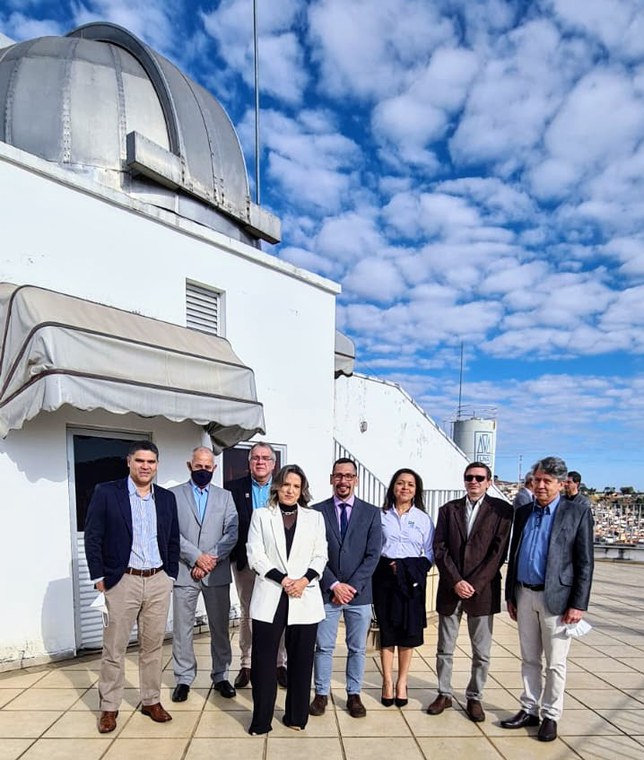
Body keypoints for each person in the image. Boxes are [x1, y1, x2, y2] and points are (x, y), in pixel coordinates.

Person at [84, 441, 179, 735]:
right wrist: (99, 576)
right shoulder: (107, 493)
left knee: (152, 647)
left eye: (151, 461)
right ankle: (109, 707)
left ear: (157, 465)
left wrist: (170, 575)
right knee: (114, 648)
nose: (145, 466)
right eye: (140, 461)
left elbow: (173, 538)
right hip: (121, 581)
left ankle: (151, 700)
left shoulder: (165, 498)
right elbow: (93, 536)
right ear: (129, 462)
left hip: (158, 579)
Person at [501, 456, 594, 742]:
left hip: (558, 599)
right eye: (537, 480)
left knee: (555, 662)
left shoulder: (575, 512)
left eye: (547, 481)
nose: (540, 485)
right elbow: (514, 553)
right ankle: (529, 708)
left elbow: (585, 562)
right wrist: (510, 594)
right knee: (529, 659)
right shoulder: (525, 511)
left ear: (561, 484)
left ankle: (550, 715)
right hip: (524, 593)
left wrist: (578, 604)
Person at [427, 462, 513, 722]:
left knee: (482, 652)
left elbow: (498, 553)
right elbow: (439, 547)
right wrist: (456, 581)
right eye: (469, 478)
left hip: (482, 591)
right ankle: (444, 693)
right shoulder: (448, 510)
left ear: (488, 482)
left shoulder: (502, 511)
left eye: (479, 478)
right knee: (445, 648)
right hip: (451, 590)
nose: (473, 482)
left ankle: (475, 697)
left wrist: (473, 583)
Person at [246, 464, 327, 735]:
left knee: (302, 661)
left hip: (304, 595)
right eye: (286, 485)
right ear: (277, 487)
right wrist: (283, 580)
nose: (290, 490)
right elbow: (255, 555)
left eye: (296, 486)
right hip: (271, 592)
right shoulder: (260, 516)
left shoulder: (315, 518)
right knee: (263, 662)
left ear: (302, 490)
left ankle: (296, 716)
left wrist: (303, 581)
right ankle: (261, 720)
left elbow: (320, 555)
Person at [309, 458, 381, 719]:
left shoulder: (372, 513)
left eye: (349, 476)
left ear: (356, 480)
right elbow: (313, 553)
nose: (343, 481)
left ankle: (353, 694)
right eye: (339, 476)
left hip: (359, 594)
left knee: (357, 648)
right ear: (331, 479)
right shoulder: (316, 512)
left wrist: (351, 586)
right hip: (327, 591)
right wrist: (334, 584)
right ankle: (320, 694)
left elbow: (373, 555)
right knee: (324, 647)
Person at [171, 446, 239, 703]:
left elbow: (232, 532)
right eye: (198, 466)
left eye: (207, 467)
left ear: (214, 468)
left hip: (216, 572)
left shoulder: (225, 497)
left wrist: (209, 559)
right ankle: (184, 678)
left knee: (220, 628)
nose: (203, 470)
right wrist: (196, 557)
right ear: (190, 466)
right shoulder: (173, 495)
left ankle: (221, 675)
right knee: (182, 629)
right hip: (185, 572)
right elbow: (171, 532)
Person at [225, 443, 288, 688]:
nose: (260, 462)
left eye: (265, 458)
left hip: (278, 563)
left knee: (278, 613)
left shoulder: (284, 488)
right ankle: (247, 664)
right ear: (249, 462)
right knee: (248, 612)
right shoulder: (233, 489)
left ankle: (279, 663)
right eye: (255, 458)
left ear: (273, 463)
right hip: (246, 562)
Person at [372, 468, 434, 708]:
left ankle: (402, 682)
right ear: (393, 487)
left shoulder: (423, 519)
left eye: (410, 484)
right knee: (387, 630)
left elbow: (429, 553)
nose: (405, 488)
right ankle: (387, 681)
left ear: (416, 490)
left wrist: (409, 568)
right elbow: (374, 547)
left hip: (411, 581)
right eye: (400, 483)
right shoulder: (380, 516)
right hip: (384, 578)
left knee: (408, 632)